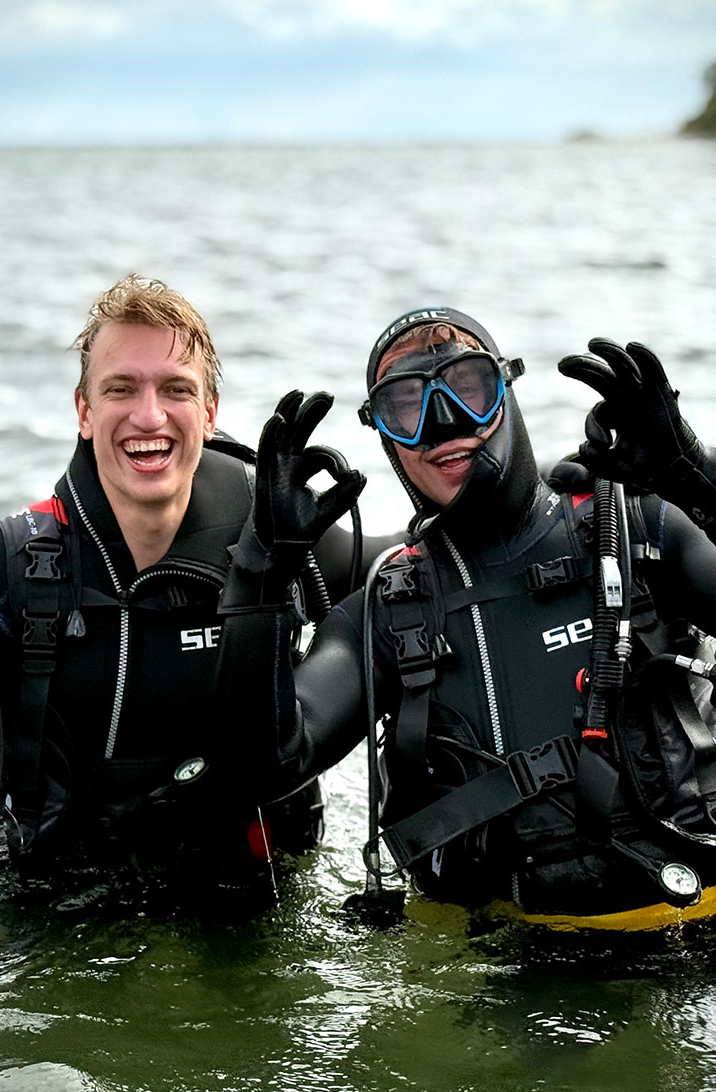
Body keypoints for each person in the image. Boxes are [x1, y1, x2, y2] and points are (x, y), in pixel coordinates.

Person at [216, 307, 716, 931]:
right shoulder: (387, 610)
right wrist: (261, 574)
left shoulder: (639, 530)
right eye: (406, 406)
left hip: (695, 932)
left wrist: (696, 476)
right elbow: (260, 767)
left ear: (506, 388)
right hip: (505, 958)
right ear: (384, 435)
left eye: (468, 387)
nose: (444, 422)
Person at [0, 274, 370, 902]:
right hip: (63, 911)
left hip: (253, 899)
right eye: (121, 388)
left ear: (209, 412)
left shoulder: (279, 533)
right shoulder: (4, 570)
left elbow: (425, 565)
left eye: (176, 389)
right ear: (84, 411)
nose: (149, 415)